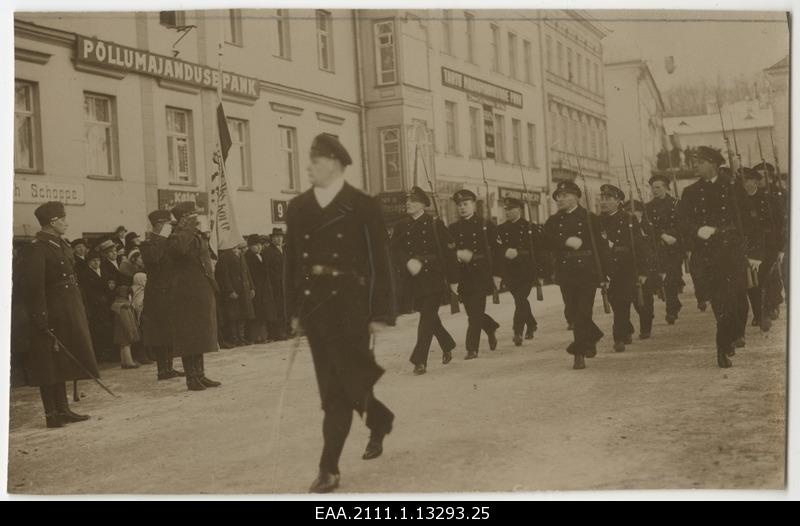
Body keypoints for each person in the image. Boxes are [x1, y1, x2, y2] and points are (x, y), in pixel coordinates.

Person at [284, 134, 396, 493]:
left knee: (337, 390)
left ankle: (328, 467)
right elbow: (290, 262)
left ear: (333, 163)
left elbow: (381, 262)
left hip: (351, 306)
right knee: (340, 383)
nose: (308, 167)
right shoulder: (299, 207)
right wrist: (295, 311)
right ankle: (379, 419)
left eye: (314, 161)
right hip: (316, 307)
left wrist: (380, 311)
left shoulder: (362, 205)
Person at [676, 146, 763, 368]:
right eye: (695, 162)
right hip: (707, 255)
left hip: (732, 251)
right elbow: (682, 222)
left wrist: (754, 253)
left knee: (735, 300)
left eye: (701, 162)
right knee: (720, 302)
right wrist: (697, 230)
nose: (696, 165)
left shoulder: (733, 187)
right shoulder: (690, 192)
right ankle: (722, 346)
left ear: (714, 164)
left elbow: (750, 222)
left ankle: (732, 334)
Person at [21, 201, 100, 428]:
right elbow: (34, 288)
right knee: (48, 364)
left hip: (66, 311)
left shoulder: (59, 244)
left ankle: (63, 409)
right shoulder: (37, 248)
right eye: (63, 219)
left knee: (61, 361)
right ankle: (52, 414)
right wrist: (41, 317)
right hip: (51, 313)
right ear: (52, 222)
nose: (67, 223)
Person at [390, 186, 458, 375]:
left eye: (413, 201)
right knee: (430, 318)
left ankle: (420, 360)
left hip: (433, 278)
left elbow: (449, 252)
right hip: (413, 280)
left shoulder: (435, 223)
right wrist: (407, 261)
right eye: (407, 201)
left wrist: (453, 280)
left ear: (423, 205)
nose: (408, 203)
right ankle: (447, 343)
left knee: (426, 318)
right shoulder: (401, 226)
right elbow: (393, 250)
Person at [543, 180, 609, 370]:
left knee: (583, 312)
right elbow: (545, 242)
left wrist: (604, 275)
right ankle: (593, 335)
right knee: (571, 313)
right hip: (566, 271)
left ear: (576, 197)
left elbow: (602, 248)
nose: (560, 199)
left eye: (565, 196)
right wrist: (564, 242)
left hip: (587, 271)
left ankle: (578, 353)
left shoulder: (590, 218)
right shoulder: (554, 221)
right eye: (558, 196)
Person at [168, 202, 221, 390]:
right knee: (188, 335)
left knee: (199, 334)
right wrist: (188, 227)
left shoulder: (195, 234)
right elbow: (180, 250)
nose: (196, 218)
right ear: (183, 218)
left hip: (199, 291)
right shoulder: (175, 236)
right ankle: (191, 378)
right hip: (185, 293)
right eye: (192, 215)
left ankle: (200, 374)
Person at [598, 185, 654, 352]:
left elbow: (640, 246)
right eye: (602, 198)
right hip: (608, 268)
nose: (604, 202)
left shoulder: (629, 219)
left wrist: (643, 271)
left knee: (623, 301)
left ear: (618, 201)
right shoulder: (597, 221)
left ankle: (619, 337)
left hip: (626, 266)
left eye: (608, 199)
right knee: (615, 301)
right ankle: (627, 329)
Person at [448, 189, 502, 360]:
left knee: (475, 312)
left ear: (473, 205)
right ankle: (491, 326)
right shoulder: (453, 228)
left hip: (480, 273)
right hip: (463, 275)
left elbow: (498, 251)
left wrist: (497, 274)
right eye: (459, 205)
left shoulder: (485, 225)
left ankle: (472, 348)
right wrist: (457, 255)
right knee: (473, 313)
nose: (462, 208)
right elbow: (448, 251)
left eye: (465, 204)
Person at [139, 209, 183, 380]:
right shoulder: (147, 243)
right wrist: (162, 237)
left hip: (171, 291)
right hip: (157, 294)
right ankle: (162, 369)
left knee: (170, 330)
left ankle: (169, 367)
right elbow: (154, 258)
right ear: (158, 225)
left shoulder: (168, 241)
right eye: (166, 224)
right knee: (159, 331)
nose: (169, 228)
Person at [741, 166, 785, 332]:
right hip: (749, 246)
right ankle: (759, 313)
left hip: (769, 245)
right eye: (743, 181)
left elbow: (780, 224)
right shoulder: (739, 201)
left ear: (756, 182)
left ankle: (767, 310)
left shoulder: (770, 200)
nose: (745, 184)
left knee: (768, 278)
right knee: (753, 281)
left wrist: (781, 246)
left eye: (748, 180)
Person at [496, 197, 545, 346]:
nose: (508, 212)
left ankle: (517, 331)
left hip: (526, 270)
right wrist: (505, 252)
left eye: (511, 209)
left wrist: (541, 273)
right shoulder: (501, 229)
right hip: (510, 272)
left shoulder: (530, 228)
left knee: (520, 299)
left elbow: (539, 251)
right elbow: (497, 250)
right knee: (520, 300)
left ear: (519, 210)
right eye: (506, 209)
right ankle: (531, 323)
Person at [645, 173, 685, 324]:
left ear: (666, 188)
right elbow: (647, 228)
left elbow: (682, 225)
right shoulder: (648, 207)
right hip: (657, 247)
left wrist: (673, 237)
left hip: (674, 247)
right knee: (661, 279)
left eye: (658, 187)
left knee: (672, 278)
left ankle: (671, 311)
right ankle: (674, 303)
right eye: (653, 187)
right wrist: (661, 235)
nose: (655, 190)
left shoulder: (676, 204)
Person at [215, 242, 256, 347]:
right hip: (234, 291)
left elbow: (247, 272)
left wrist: (251, 287)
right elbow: (224, 276)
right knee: (233, 316)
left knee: (243, 314)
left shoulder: (241, 254)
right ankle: (234, 338)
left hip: (243, 290)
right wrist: (230, 290)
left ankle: (241, 337)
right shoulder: (224, 256)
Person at [243, 234, 275, 343]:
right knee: (256, 313)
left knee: (263, 313)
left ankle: (263, 336)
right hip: (255, 289)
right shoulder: (248, 257)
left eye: (260, 245)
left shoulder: (260, 256)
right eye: (256, 245)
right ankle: (256, 337)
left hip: (263, 289)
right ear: (250, 246)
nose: (259, 247)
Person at [263, 228, 288, 340]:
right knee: (276, 308)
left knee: (284, 307)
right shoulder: (268, 252)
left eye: (280, 236)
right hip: (274, 285)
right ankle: (277, 333)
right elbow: (266, 270)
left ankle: (285, 330)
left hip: (284, 284)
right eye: (276, 237)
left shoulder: (284, 250)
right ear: (272, 239)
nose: (279, 239)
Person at [111, 285, 141, 369]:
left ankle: (123, 362)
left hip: (120, 328)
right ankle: (129, 362)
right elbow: (126, 320)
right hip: (125, 328)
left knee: (123, 345)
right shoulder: (124, 306)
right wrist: (130, 330)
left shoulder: (117, 303)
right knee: (127, 344)